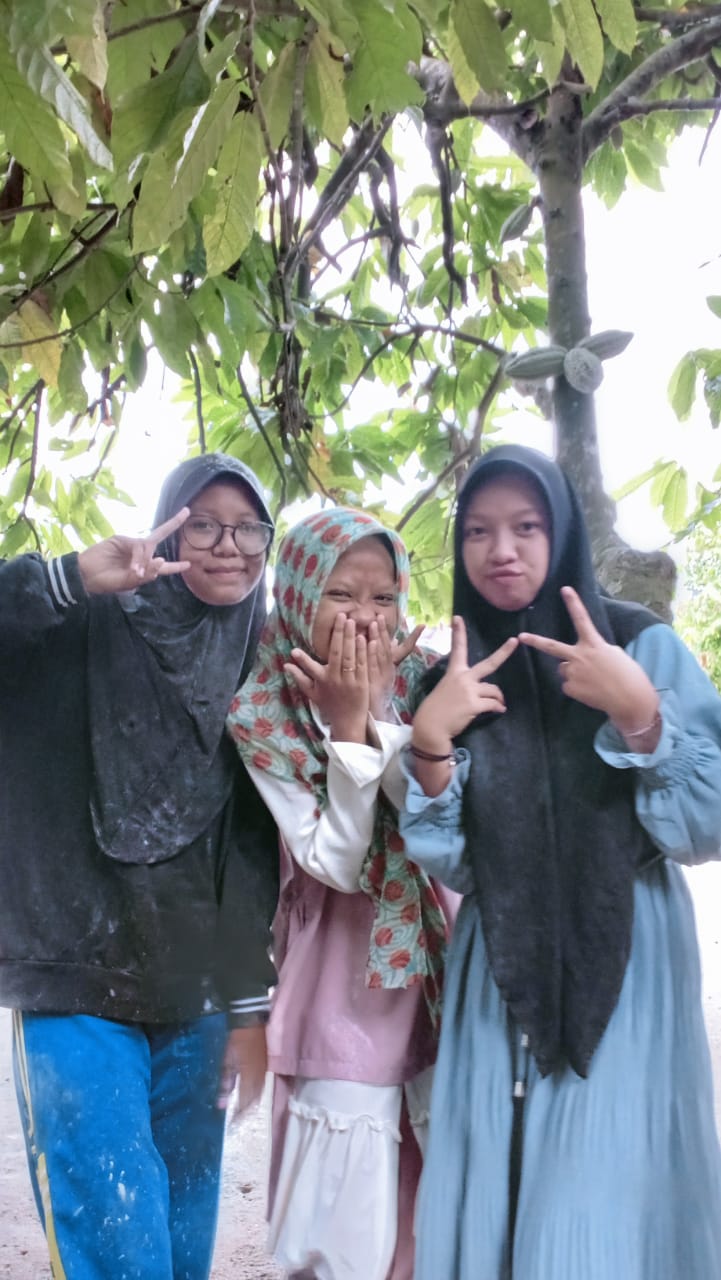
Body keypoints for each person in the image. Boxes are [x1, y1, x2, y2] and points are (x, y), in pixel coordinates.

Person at [398, 443, 721, 1280]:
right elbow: (454, 860)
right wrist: (429, 743)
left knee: (605, 1187)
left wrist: (641, 717)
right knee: (499, 1182)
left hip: (631, 952)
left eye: (526, 526)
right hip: (501, 959)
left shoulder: (640, 644)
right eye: (477, 531)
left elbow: (704, 826)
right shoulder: (452, 676)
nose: (500, 550)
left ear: (562, 532)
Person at [0, 452, 280, 1280]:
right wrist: (66, 580)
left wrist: (247, 1006)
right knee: (118, 1246)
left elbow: (251, 844)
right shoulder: (85, 624)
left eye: (248, 529)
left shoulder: (255, 664)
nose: (227, 545)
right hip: (74, 983)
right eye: (204, 523)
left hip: (196, 995)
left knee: (181, 1248)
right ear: (169, 527)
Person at [226, 507, 456, 1280]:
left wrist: (377, 720)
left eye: (382, 597)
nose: (364, 618)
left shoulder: (427, 680)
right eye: (340, 594)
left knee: (444, 1201)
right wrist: (350, 735)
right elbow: (336, 861)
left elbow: (438, 818)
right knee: (342, 1224)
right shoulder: (263, 708)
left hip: (441, 963)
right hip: (340, 977)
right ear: (297, 594)